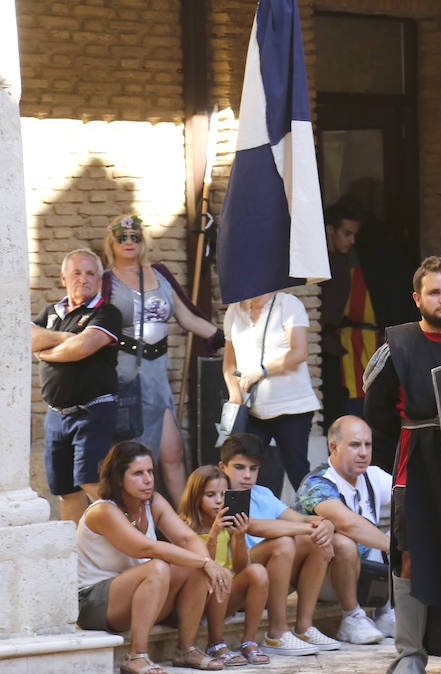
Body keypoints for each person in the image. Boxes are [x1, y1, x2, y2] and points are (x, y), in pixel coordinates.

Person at [364, 257, 441, 674]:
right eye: (434, 292)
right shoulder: (399, 346)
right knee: (409, 558)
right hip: (416, 465)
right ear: (418, 299)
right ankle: (409, 657)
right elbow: (378, 413)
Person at [75, 441, 233, 674]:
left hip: (144, 594)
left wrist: (206, 564)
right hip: (94, 604)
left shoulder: (153, 501)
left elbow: (186, 538)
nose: (148, 479)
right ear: (119, 478)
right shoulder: (103, 511)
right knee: (160, 566)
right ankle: (137, 656)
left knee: (194, 565)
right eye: (138, 474)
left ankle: (186, 649)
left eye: (150, 472)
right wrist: (205, 561)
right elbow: (145, 548)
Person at [100, 214, 222, 500]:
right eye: (121, 238)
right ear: (112, 242)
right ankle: (133, 525)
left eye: (135, 237)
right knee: (129, 459)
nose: (129, 242)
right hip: (124, 378)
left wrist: (225, 340)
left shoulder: (160, 273)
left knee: (172, 452)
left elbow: (187, 317)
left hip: (157, 377)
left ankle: (185, 524)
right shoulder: (105, 281)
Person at [219, 433, 342, 655]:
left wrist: (325, 525)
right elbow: (256, 526)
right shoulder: (220, 495)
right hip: (238, 578)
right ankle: (277, 632)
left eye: (253, 469)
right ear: (223, 467)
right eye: (239, 468)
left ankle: (304, 627)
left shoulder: (262, 493)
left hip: (271, 573)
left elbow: (300, 519)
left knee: (316, 540)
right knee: (283, 543)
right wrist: (309, 528)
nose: (247, 475)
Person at [31, 249, 124, 525]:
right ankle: (77, 557)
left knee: (92, 483)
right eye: (77, 272)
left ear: (99, 280)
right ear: (64, 278)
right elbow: (27, 338)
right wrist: (65, 337)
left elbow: (84, 347)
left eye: (90, 273)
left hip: (93, 412)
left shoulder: (107, 313)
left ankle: (133, 544)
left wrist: (47, 350)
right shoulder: (50, 312)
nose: (83, 279)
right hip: (56, 416)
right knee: (66, 490)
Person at [294, 414, 396, 644]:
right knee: (345, 542)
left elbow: (412, 501)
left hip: (365, 573)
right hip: (322, 582)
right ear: (333, 447)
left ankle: (385, 611)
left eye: (367, 445)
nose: (363, 452)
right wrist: (398, 550)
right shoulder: (316, 483)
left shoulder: (373, 476)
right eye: (354, 445)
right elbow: (347, 523)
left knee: (407, 529)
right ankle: (352, 617)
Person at [223, 288, 322, 494]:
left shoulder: (288, 304)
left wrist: (261, 371)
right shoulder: (234, 310)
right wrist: (234, 395)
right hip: (251, 408)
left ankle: (322, 520)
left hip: (291, 407)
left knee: (298, 471)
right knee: (242, 468)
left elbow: (299, 353)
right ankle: (241, 522)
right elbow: (230, 363)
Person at [177, 465, 271, 667]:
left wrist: (239, 536)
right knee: (219, 575)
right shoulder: (183, 527)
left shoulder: (227, 523)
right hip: (197, 599)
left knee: (257, 572)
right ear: (195, 496)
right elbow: (201, 566)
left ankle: (249, 641)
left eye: (223, 495)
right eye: (210, 495)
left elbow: (239, 566)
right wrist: (213, 534)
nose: (219, 501)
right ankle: (215, 642)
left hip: (224, 596)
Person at [318, 204, 378, 421]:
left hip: (332, 347)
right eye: (347, 234)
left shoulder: (343, 262)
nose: (352, 241)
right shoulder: (322, 264)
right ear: (329, 230)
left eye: (354, 234)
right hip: (320, 347)